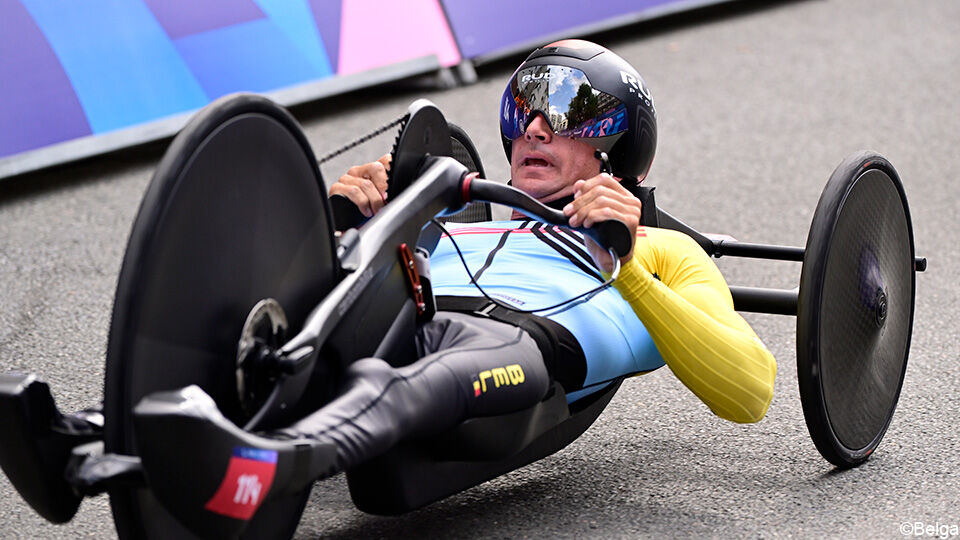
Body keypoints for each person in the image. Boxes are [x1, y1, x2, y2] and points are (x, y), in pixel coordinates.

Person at [147, 39, 777, 532]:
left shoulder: (662, 253)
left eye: (564, 116)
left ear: (616, 148)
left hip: (521, 346)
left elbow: (750, 389)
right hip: (410, 313)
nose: (534, 128)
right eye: (524, 110)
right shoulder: (453, 226)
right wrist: (337, 222)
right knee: (272, 339)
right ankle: (98, 434)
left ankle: (264, 465)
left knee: (399, 381)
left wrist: (626, 269)